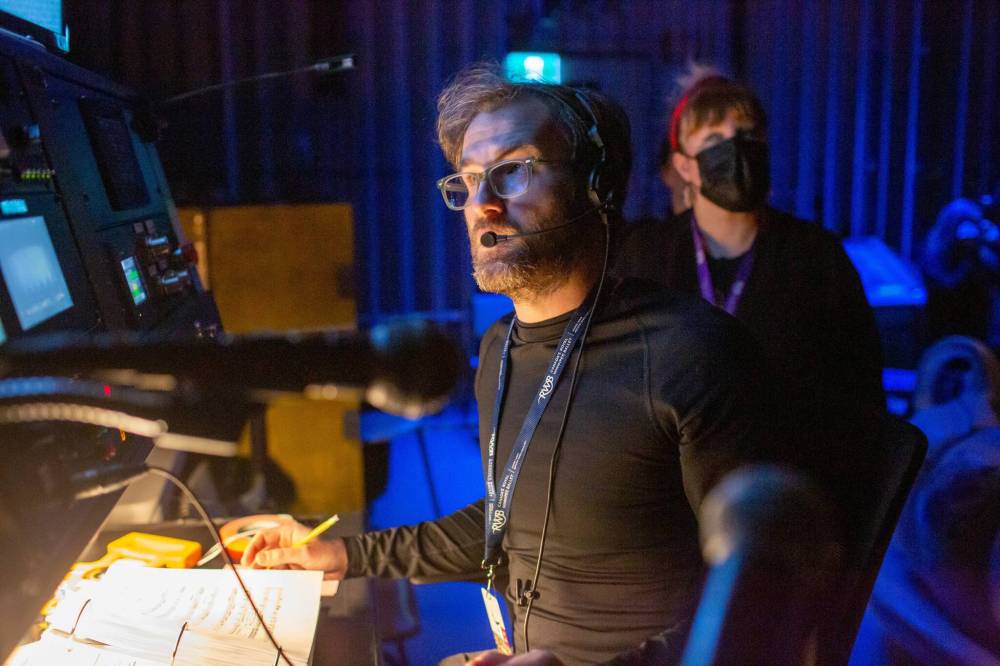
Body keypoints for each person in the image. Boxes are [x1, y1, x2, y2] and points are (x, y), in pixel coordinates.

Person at [243, 64, 784, 664]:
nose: (482, 206)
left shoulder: (694, 353)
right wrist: (344, 554)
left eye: (512, 172)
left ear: (596, 186)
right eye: (469, 181)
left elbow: (764, 602)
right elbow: (512, 520)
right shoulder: (500, 349)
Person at [616, 74, 886, 427]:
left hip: (785, 467)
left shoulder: (816, 255)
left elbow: (860, 384)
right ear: (684, 166)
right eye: (714, 139)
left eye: (747, 135)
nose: (735, 149)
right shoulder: (644, 254)